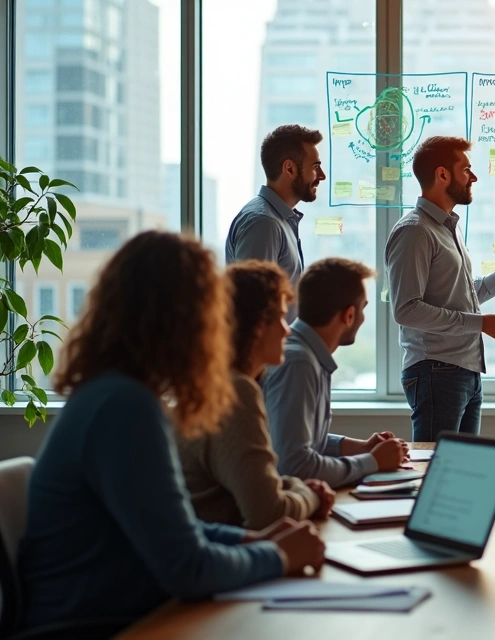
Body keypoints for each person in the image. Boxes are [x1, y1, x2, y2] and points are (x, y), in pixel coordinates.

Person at [18, 232, 324, 632]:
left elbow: (176, 528)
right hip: (95, 627)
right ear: (184, 319)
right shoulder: (125, 407)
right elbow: (187, 568)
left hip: (118, 612)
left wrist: (252, 541)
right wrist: (278, 556)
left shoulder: (116, 393)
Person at [386, 136, 495, 441]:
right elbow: (406, 310)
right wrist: (480, 323)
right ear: (443, 174)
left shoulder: (447, 228)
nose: (474, 177)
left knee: (462, 466)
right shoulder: (414, 230)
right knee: (436, 465)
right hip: (436, 371)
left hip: (464, 371)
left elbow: (458, 297)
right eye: (466, 170)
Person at [176, 261, 335, 529]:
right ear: (258, 325)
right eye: (280, 318)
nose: (287, 330)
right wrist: (311, 496)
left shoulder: (208, 384)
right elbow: (270, 514)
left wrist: (291, 486)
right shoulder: (236, 392)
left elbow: (253, 481)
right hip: (228, 548)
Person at [262, 257, 407, 487]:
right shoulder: (299, 363)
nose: (363, 317)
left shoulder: (305, 354)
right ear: (349, 315)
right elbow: (294, 465)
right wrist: (372, 462)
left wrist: (361, 448)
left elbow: (297, 440)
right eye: (363, 308)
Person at [226, 124, 325, 321]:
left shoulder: (278, 220)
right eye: (315, 167)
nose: (322, 175)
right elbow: (253, 312)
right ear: (289, 169)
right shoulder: (264, 224)